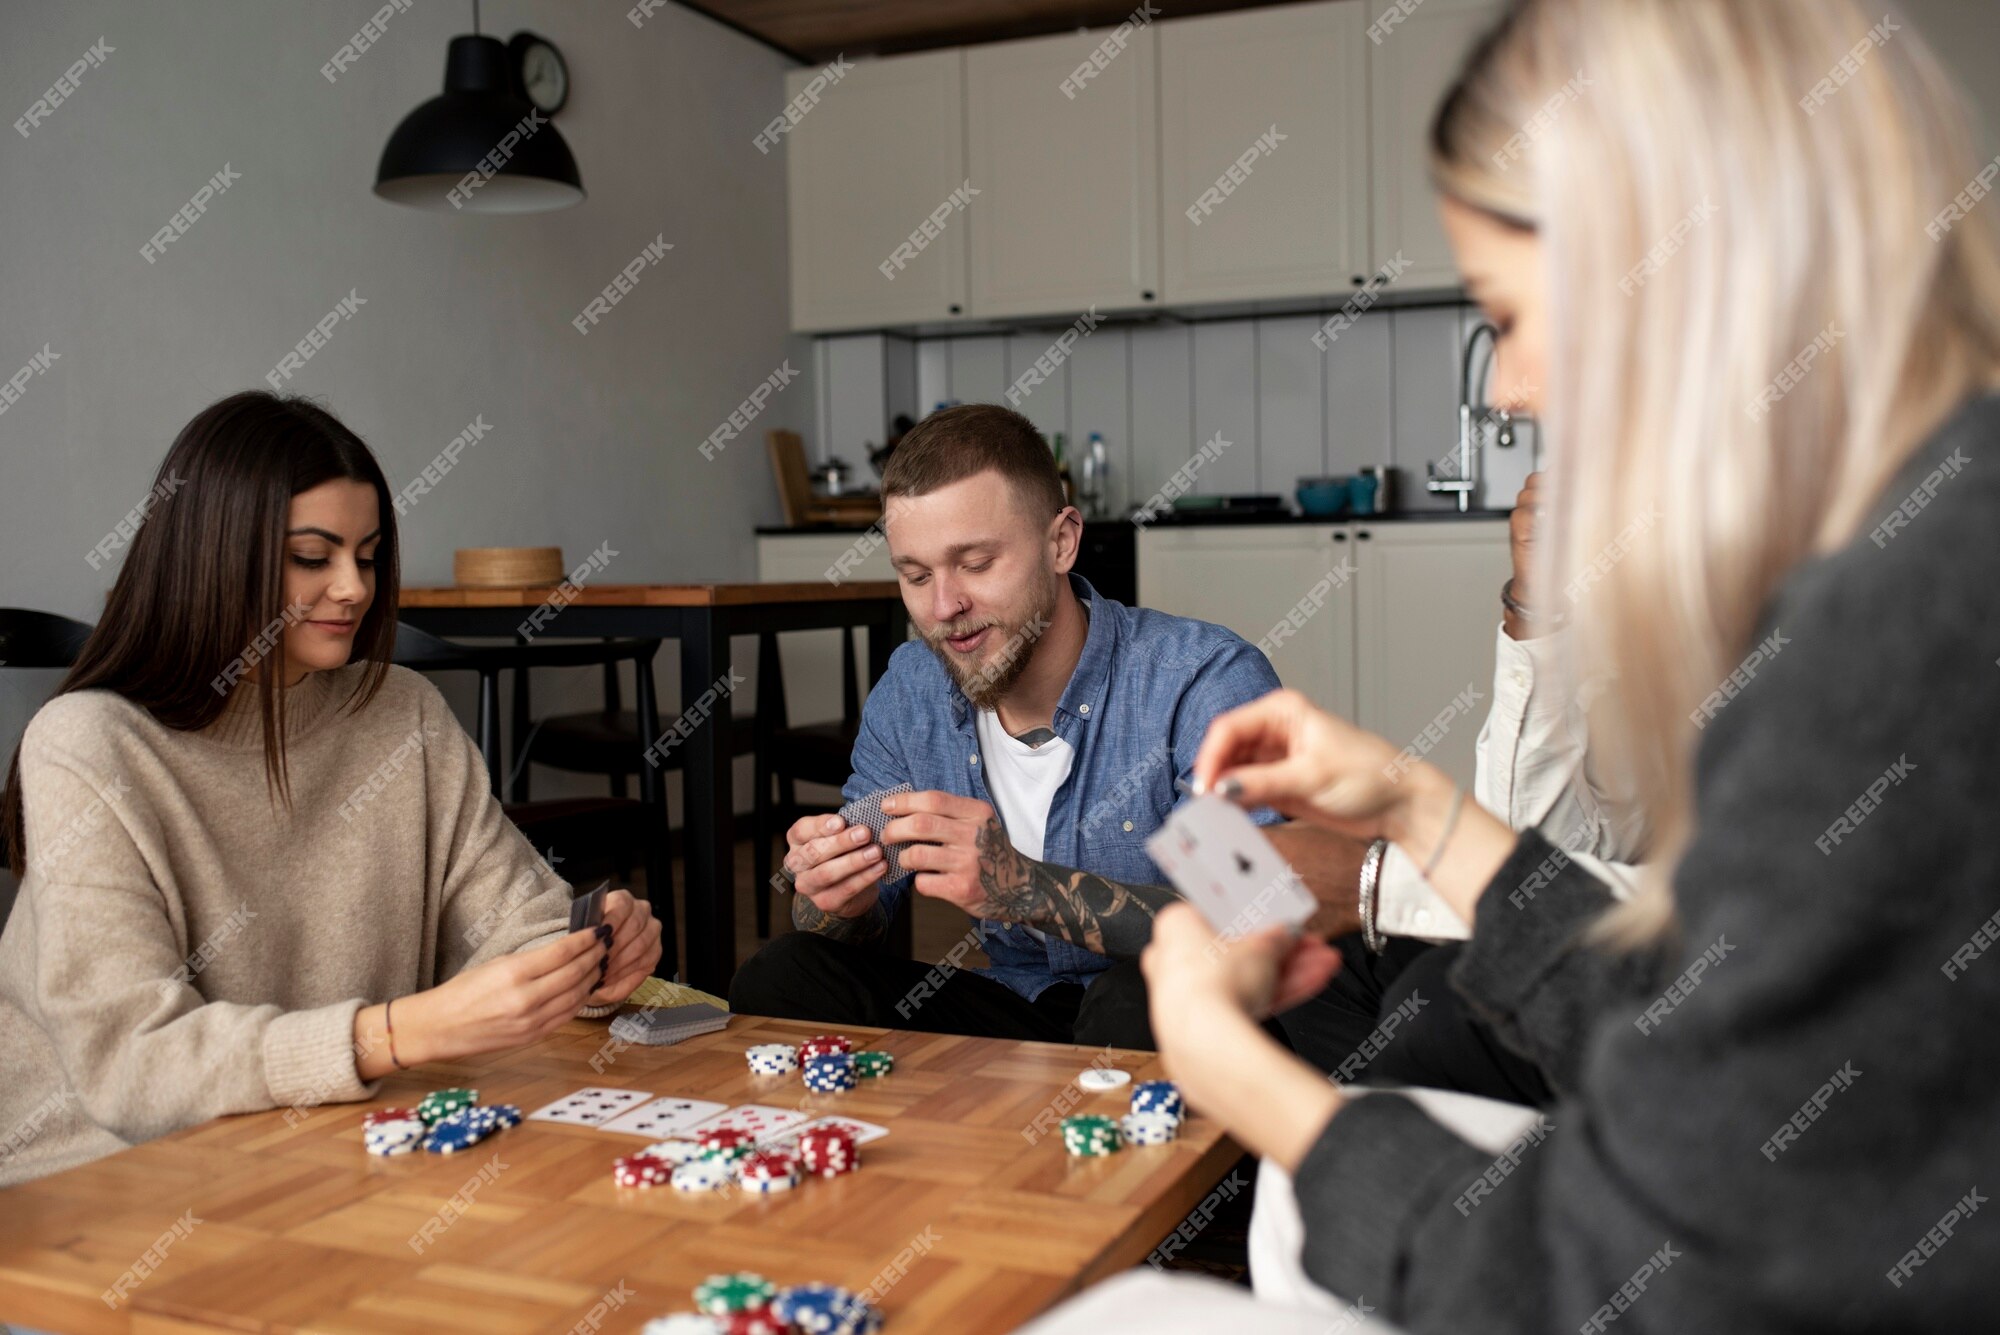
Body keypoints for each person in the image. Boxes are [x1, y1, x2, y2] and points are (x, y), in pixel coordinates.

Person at [1044, 0, 2000, 1327]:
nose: (1507, 388)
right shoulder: (1929, 528)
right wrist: (1421, 810)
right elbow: (1711, 1028)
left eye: (1510, 313)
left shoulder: (1886, 637)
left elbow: (1602, 1283)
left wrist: (1239, 1076)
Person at [0, 391, 663, 1187]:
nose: (354, 587)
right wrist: (396, 1034)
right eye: (313, 557)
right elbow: (133, 1064)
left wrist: (585, 956)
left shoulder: (401, 712)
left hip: (335, 1148)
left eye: (370, 553)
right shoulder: (88, 743)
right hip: (100, 1185)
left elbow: (514, 921)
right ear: (213, 553)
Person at [730, 403, 1329, 1048]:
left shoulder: (1199, 681)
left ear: (1061, 542)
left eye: (977, 564)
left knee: (1132, 1000)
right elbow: (846, 924)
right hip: (1017, 1015)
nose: (944, 606)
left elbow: (1259, 924)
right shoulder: (913, 691)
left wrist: (1024, 889)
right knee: (781, 976)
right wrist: (833, 898)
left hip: (1181, 1019)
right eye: (916, 574)